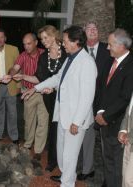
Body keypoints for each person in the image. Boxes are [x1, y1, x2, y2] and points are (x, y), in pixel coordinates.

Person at [22, 25, 97, 187]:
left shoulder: (87, 63)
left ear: (76, 42)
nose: (62, 44)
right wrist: (35, 88)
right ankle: (66, 179)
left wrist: (77, 121)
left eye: (65, 41)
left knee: (70, 157)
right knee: (63, 155)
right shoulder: (71, 58)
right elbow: (57, 78)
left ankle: (67, 183)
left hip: (75, 120)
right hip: (63, 115)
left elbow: (87, 97)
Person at [12, 25, 67, 171]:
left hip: (65, 96)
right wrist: (22, 76)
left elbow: (68, 77)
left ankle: (61, 163)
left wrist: (54, 87)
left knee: (55, 127)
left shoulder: (67, 51)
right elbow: (39, 78)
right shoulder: (45, 56)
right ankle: (53, 160)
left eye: (45, 37)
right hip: (47, 94)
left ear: (54, 35)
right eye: (42, 38)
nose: (44, 41)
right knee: (53, 127)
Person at [95, 28, 133, 187]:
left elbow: (125, 98)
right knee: (108, 161)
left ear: (121, 46)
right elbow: (101, 89)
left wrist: (106, 116)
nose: (107, 47)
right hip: (103, 120)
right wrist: (99, 112)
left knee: (117, 165)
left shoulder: (131, 65)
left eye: (110, 44)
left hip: (118, 125)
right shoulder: (110, 61)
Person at [2, 33, 47, 162]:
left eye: (29, 43)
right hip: (28, 92)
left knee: (43, 122)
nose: (26, 46)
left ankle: (38, 150)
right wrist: (9, 75)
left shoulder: (45, 54)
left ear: (36, 43)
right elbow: (14, 68)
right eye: (24, 44)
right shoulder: (22, 56)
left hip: (44, 92)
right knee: (29, 121)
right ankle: (28, 145)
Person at [77, 21, 113, 181]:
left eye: (95, 28)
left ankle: (109, 177)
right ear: (84, 33)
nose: (92, 30)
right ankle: (87, 169)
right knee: (86, 137)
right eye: (89, 28)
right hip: (83, 102)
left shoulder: (109, 49)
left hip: (103, 103)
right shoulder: (78, 50)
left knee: (106, 142)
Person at [118, 93, 133, 187]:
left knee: (129, 180)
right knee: (124, 177)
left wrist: (130, 136)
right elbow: (129, 110)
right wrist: (123, 130)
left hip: (130, 138)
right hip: (128, 142)